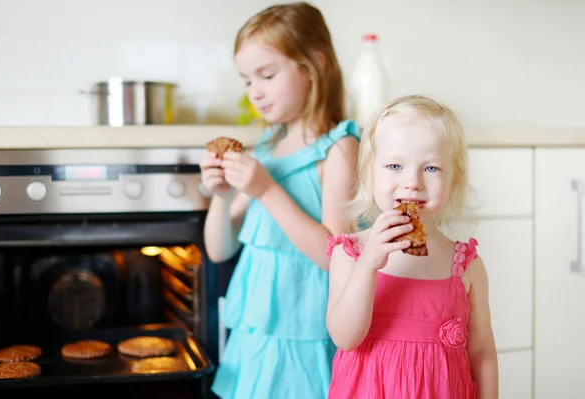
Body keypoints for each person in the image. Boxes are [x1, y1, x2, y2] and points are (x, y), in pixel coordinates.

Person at [199, 2, 360, 398]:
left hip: (306, 332)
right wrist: (221, 197)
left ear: (312, 67)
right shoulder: (269, 146)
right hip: (258, 333)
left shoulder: (338, 148)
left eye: (267, 74)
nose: (255, 91)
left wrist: (266, 190)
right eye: (246, 80)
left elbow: (336, 256)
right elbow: (219, 250)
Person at [326, 95, 499, 399]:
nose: (412, 182)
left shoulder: (466, 265)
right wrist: (368, 265)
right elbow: (344, 338)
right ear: (369, 176)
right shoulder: (350, 253)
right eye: (394, 165)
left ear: (454, 182)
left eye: (431, 168)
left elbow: (482, 352)